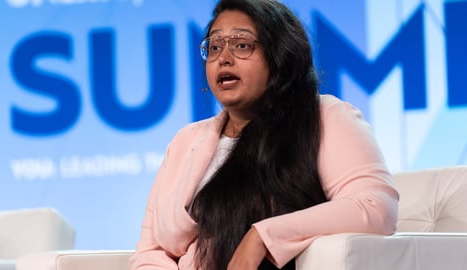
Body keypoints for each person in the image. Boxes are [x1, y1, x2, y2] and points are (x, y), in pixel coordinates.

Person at [129, 0, 399, 269]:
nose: (224, 57)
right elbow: (150, 251)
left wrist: (262, 236)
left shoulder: (325, 117)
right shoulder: (185, 141)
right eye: (214, 47)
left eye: (242, 45)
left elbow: (375, 207)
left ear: (279, 56)